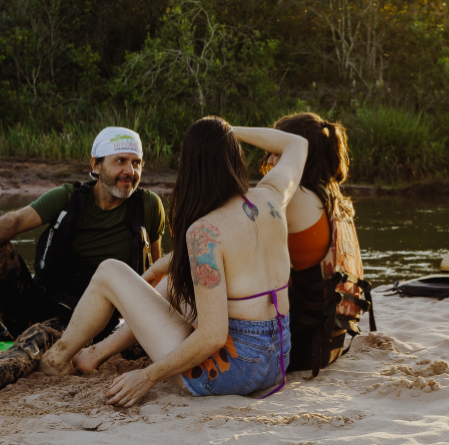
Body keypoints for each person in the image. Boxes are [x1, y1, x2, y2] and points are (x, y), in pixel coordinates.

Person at [21, 117, 307, 407]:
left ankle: (57, 359)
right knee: (172, 281)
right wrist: (229, 132)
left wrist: (147, 376)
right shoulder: (271, 197)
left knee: (110, 271)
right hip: (275, 361)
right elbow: (296, 143)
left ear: (190, 167)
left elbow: (213, 336)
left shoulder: (204, 232)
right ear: (234, 155)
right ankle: (94, 354)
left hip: (229, 372)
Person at [0, 127, 166, 397]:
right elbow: (14, 220)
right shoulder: (68, 198)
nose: (129, 171)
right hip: (41, 302)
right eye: (120, 161)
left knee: (40, 337)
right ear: (96, 165)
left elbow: (156, 274)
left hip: (90, 322)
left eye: (136, 163)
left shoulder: (148, 207)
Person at [256, 112, 357, 372]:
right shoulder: (330, 197)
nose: (268, 160)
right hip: (328, 342)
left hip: (301, 349)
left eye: (276, 150)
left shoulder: (296, 197)